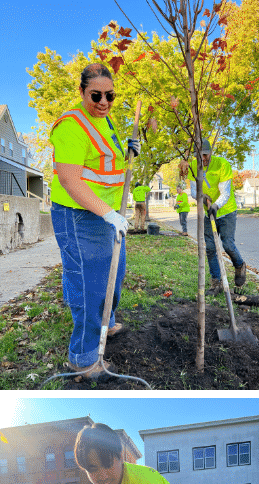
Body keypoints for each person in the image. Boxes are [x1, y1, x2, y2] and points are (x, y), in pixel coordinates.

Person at [50, 63, 139, 381]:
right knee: (89, 286)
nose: (104, 101)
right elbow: (71, 181)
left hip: (105, 215)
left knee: (113, 277)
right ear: (82, 91)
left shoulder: (105, 118)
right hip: (79, 215)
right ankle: (83, 358)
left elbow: (106, 159)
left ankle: (107, 321)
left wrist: (127, 151)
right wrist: (108, 214)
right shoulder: (72, 125)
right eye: (96, 95)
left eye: (110, 95)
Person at [187, 139, 246, 293]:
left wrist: (216, 205)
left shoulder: (222, 164)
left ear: (210, 152)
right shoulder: (193, 166)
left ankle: (239, 265)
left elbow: (225, 192)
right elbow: (193, 190)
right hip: (208, 211)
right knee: (211, 248)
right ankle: (216, 283)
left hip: (226, 210)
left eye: (205, 155)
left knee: (227, 244)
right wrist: (200, 195)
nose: (203, 159)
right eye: (199, 156)